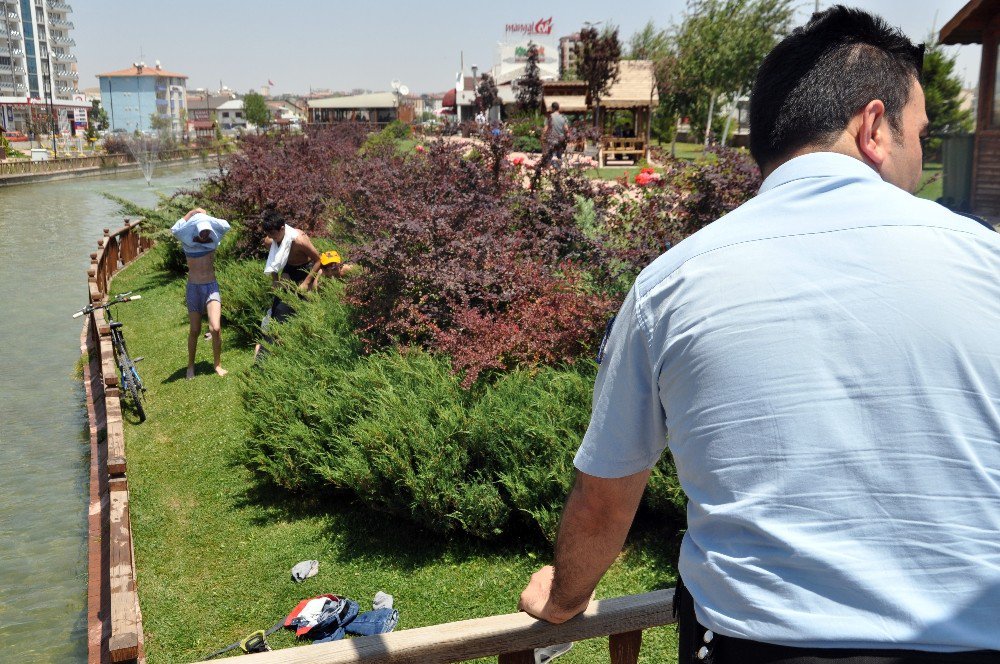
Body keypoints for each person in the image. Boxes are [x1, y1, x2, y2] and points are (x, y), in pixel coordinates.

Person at [519, 6, 1000, 663]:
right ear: (874, 127)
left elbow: (604, 499)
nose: (921, 154)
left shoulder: (670, 285)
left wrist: (563, 600)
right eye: (920, 132)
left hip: (753, 647)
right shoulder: (986, 263)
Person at [170, 207, 230, 379]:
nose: (205, 234)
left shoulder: (213, 241)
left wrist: (207, 217)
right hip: (194, 288)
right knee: (195, 330)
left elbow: (225, 225)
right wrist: (192, 213)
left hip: (211, 287)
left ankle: (217, 365)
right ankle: (190, 366)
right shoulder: (187, 242)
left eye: (207, 230)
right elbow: (175, 229)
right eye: (202, 230)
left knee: (216, 328)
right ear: (195, 228)